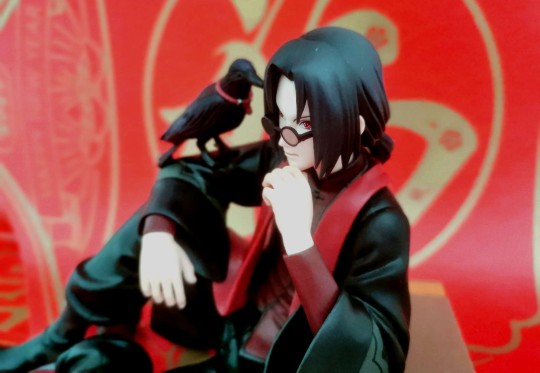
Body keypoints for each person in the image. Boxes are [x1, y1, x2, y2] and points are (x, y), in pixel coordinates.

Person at [0, 26, 410, 372]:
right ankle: (63, 334)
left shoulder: (380, 222)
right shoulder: (284, 156)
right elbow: (192, 172)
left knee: (102, 364)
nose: (285, 136)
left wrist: (300, 242)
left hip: (280, 356)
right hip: (231, 315)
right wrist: (160, 232)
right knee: (165, 214)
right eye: (279, 119)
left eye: (302, 122)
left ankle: (105, 356)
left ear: (355, 124)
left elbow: (377, 355)